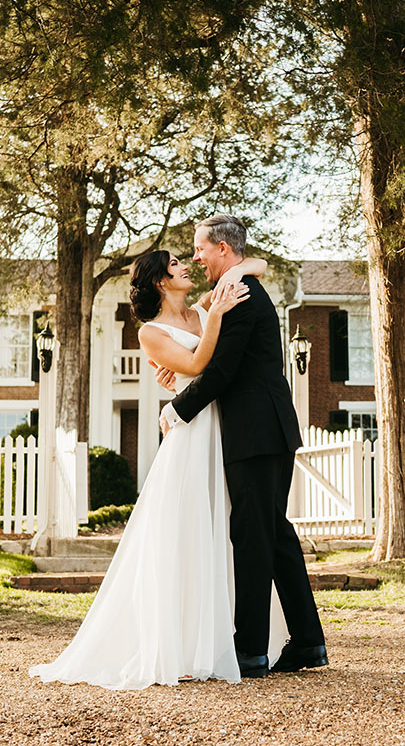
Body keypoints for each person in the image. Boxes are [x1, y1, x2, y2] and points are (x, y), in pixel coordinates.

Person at [29, 249, 271, 690]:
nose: (186, 266)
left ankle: (221, 641)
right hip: (190, 437)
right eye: (177, 263)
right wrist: (216, 315)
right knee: (185, 535)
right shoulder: (151, 333)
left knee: (226, 532)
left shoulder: (203, 309)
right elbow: (198, 366)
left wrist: (235, 272)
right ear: (160, 280)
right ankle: (177, 646)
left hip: (225, 430)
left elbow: (260, 266)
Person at [158, 214, 327, 678]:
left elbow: (222, 371)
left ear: (223, 251)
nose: (196, 256)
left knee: (252, 536)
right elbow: (214, 360)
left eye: (200, 249)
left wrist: (177, 409)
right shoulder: (239, 287)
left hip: (255, 433)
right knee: (273, 533)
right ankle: (309, 642)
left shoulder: (238, 294)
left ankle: (250, 649)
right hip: (270, 429)